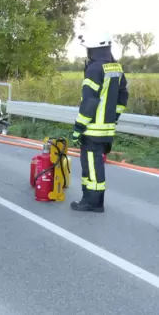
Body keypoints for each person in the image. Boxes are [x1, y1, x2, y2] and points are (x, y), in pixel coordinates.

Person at [70, 31, 129, 213]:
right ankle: (90, 199)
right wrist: (114, 117)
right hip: (107, 128)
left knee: (92, 167)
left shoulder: (95, 69)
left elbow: (90, 101)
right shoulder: (115, 68)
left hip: (93, 128)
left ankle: (93, 203)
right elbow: (123, 95)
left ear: (93, 49)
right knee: (96, 165)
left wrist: (78, 128)